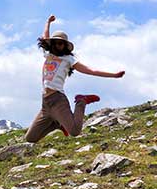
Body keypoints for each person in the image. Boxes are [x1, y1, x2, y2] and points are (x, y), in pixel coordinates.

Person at [25, 14, 125, 143]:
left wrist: (114, 75)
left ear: (65, 46)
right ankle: (57, 124)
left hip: (57, 100)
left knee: (75, 131)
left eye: (62, 43)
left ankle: (81, 101)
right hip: (45, 103)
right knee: (30, 138)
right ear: (53, 44)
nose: (59, 45)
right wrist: (48, 22)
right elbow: (45, 36)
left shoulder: (69, 59)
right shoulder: (48, 55)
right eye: (56, 43)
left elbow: (90, 70)